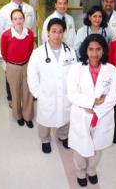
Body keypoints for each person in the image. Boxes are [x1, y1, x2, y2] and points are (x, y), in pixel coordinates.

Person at [67, 34, 116, 187]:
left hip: (102, 116)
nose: (94, 54)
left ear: (103, 51)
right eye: (91, 49)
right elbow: (72, 94)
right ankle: (80, 171)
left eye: (98, 49)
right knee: (80, 145)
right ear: (86, 50)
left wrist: (97, 109)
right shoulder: (76, 69)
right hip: (82, 114)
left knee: (97, 145)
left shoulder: (112, 70)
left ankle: (91, 170)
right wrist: (91, 103)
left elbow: (114, 95)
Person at [27, 18, 77, 153]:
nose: (57, 35)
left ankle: (63, 136)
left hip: (66, 94)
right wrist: (37, 93)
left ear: (64, 34)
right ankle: (45, 140)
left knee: (65, 117)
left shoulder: (70, 51)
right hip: (46, 94)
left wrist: (73, 91)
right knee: (45, 119)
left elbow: (75, 73)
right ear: (48, 33)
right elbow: (32, 75)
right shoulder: (38, 53)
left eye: (60, 32)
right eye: (54, 31)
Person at [0, 0, 35, 108]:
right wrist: (10, 39)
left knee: (26, 73)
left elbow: (31, 25)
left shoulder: (29, 9)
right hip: (11, 47)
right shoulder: (4, 10)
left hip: (25, 46)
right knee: (10, 73)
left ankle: (26, 95)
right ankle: (11, 98)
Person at [1, 9, 34, 128]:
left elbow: (30, 50)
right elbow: (4, 53)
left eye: (20, 18)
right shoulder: (6, 35)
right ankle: (18, 115)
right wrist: (10, 64)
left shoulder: (29, 33)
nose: (18, 21)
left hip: (26, 65)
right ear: (12, 21)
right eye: (15, 19)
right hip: (12, 67)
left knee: (27, 92)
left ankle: (27, 116)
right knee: (15, 93)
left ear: (24, 19)